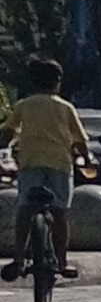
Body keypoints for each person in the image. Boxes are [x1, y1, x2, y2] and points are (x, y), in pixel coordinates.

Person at [2, 56, 91, 287]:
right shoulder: (65, 107)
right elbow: (80, 142)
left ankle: (19, 259)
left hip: (29, 165)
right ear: (58, 82)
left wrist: (9, 145)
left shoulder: (23, 105)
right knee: (60, 214)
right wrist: (87, 159)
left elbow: (8, 131)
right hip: (60, 166)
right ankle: (62, 263)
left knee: (24, 209)